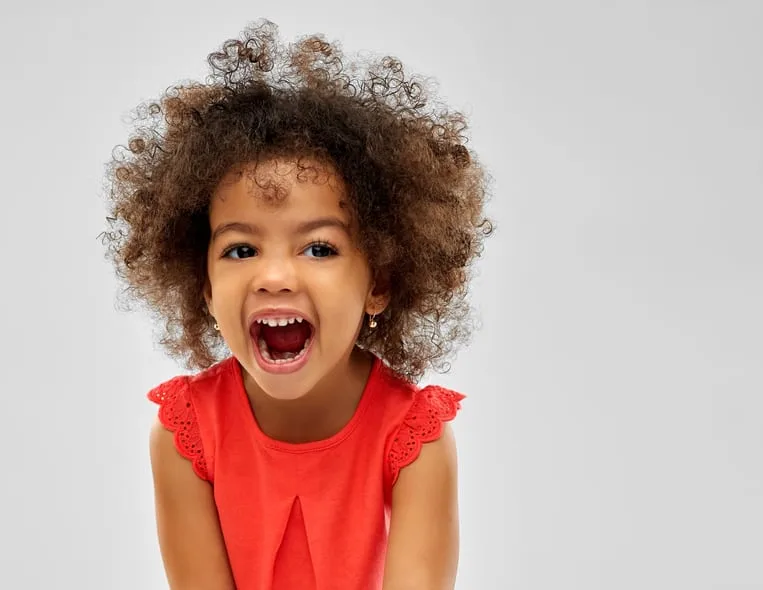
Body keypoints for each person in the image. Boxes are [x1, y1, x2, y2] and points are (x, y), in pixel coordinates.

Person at [102, 19, 492, 590]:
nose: (275, 275)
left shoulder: (413, 436)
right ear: (204, 287)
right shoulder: (185, 435)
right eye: (240, 248)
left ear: (378, 281)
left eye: (318, 247)